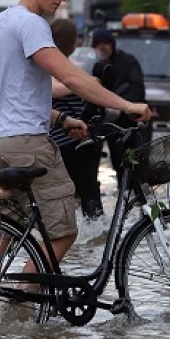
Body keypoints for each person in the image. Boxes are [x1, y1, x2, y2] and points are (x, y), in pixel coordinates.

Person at [0, 0, 152, 270]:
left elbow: (15, 94)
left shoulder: (0, 23)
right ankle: (22, 306)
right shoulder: (32, 25)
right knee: (63, 231)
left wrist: (61, 118)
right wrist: (127, 105)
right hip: (27, 145)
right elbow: (72, 78)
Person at [48, 18, 104, 220]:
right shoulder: (57, 69)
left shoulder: (68, 68)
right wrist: (81, 84)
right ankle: (96, 235)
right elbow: (50, 90)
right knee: (87, 191)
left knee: (73, 192)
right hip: (68, 141)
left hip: (56, 142)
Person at [90, 28, 149, 172]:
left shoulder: (128, 62)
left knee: (130, 163)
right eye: (98, 44)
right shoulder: (92, 63)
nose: (103, 47)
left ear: (112, 44)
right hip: (100, 121)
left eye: (106, 43)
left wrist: (121, 105)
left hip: (126, 122)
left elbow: (137, 88)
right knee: (103, 162)